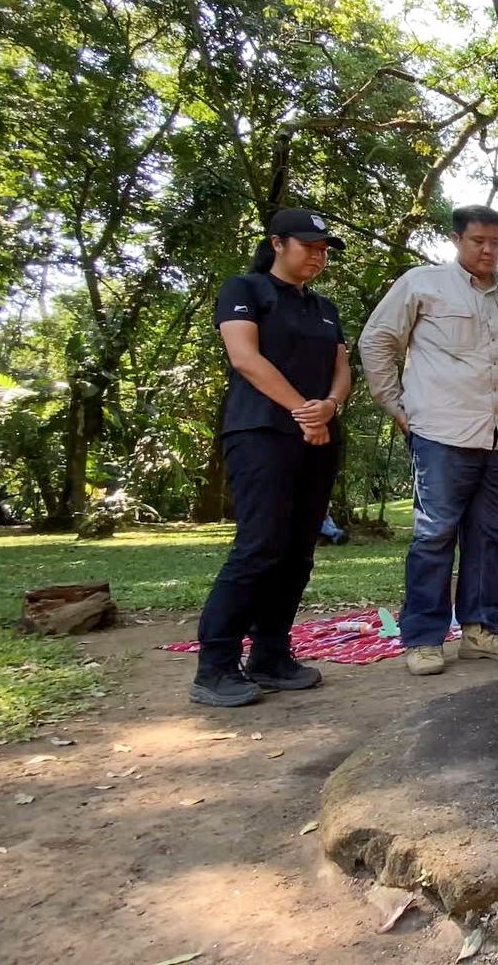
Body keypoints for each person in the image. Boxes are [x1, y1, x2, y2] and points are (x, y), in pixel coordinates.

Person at [360, 205, 498, 676]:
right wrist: (397, 407)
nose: (488, 249)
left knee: (496, 534)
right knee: (435, 534)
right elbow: (377, 341)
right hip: (440, 434)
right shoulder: (421, 284)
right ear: (457, 240)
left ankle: (482, 630)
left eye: (496, 242)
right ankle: (423, 639)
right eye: (478, 240)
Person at [191, 208, 351, 707]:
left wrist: (329, 405)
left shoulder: (324, 307)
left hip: (319, 436)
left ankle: (271, 654)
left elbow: (342, 368)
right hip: (261, 430)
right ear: (278, 243)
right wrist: (304, 410)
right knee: (260, 545)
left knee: (299, 549)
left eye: (324, 249)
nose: (318, 256)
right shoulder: (245, 289)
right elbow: (245, 357)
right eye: (309, 246)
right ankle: (214, 666)